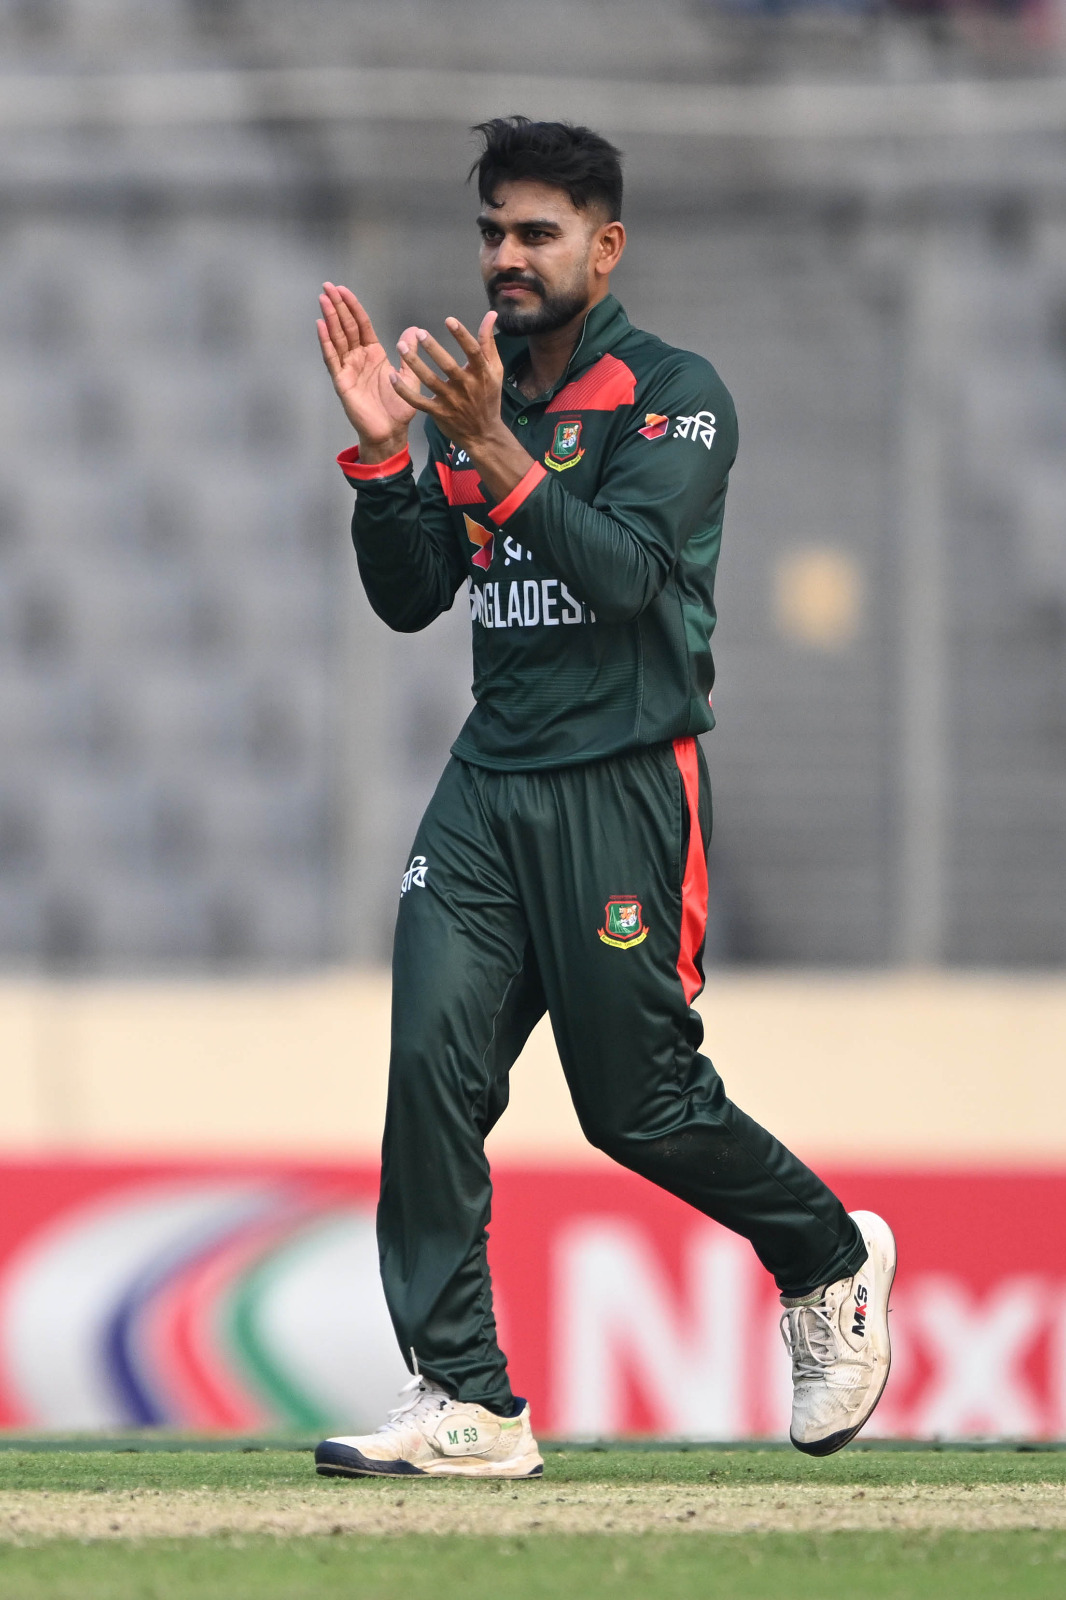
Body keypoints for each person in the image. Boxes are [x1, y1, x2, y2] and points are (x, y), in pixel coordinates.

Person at [312, 117, 895, 1480]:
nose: (507, 258)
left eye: (537, 234)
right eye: (492, 233)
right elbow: (411, 600)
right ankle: (466, 1396)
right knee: (426, 1070)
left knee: (634, 1106)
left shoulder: (674, 395)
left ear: (603, 245)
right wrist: (383, 459)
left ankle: (825, 1256)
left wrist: (486, 453)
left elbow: (627, 578)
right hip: (488, 783)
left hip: (623, 782)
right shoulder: (474, 393)